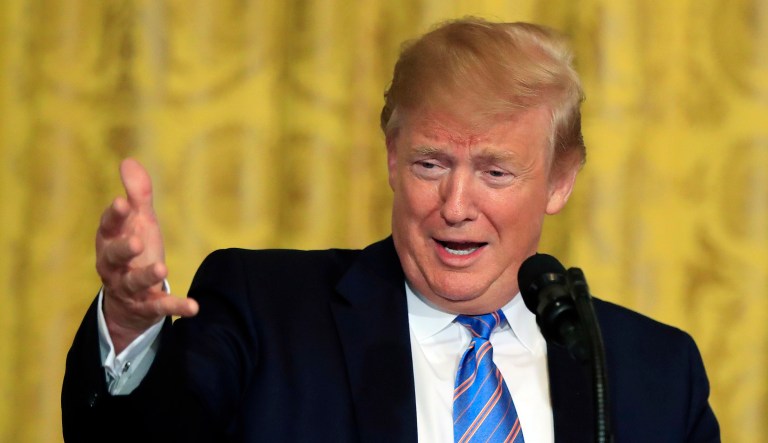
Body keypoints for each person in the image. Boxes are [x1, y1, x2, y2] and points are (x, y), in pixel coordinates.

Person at [62, 18, 720, 442]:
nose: (454, 204)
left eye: (494, 172)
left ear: (559, 181)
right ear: (389, 156)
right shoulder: (265, 311)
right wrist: (127, 324)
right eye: (430, 163)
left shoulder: (652, 374)